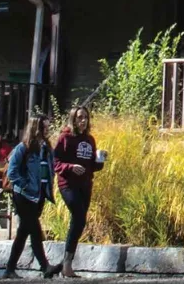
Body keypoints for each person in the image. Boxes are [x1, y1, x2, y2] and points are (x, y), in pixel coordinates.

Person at [52, 106, 106, 279]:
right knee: (79, 217)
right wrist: (70, 167)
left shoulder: (90, 139)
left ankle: (66, 263)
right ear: (73, 119)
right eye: (79, 117)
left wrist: (101, 159)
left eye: (85, 117)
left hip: (85, 185)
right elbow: (55, 162)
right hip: (68, 185)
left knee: (79, 222)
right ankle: (66, 264)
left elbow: (92, 167)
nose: (83, 120)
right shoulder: (65, 137)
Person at [3, 117, 57, 279]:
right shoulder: (23, 148)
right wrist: (25, 184)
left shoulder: (47, 148)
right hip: (24, 195)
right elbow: (12, 172)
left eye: (48, 127)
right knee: (34, 229)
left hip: (39, 195)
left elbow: (50, 168)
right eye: (44, 127)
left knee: (24, 232)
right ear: (36, 128)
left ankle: (10, 269)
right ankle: (45, 266)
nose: (48, 130)